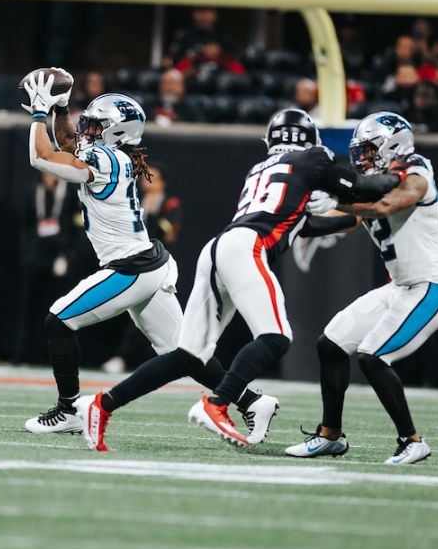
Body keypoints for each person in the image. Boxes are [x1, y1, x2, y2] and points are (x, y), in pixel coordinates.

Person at [76, 109, 400, 451]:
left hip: (220, 247)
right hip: (248, 247)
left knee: (190, 355)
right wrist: (396, 177)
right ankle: (217, 404)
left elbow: (307, 225)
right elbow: (364, 186)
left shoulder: (261, 169)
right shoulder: (314, 157)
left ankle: (102, 405)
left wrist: (348, 212)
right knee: (276, 337)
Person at [19, 70, 274, 442]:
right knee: (185, 353)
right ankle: (252, 401)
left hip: (131, 268)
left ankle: (70, 409)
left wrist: (40, 113)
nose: (85, 130)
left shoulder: (107, 159)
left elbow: (43, 158)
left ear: (115, 132)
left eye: (94, 125)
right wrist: (59, 108)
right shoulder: (110, 155)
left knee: (58, 322)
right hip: (146, 264)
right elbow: (65, 142)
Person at [283, 112, 438, 466]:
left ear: (393, 145)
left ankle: (412, 440)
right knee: (330, 344)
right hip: (399, 288)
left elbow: (389, 204)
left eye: (369, 150)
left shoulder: (417, 171)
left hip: (430, 287)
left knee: (373, 356)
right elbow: (344, 222)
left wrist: (337, 200)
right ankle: (330, 435)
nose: (363, 159)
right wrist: (289, 220)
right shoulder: (374, 184)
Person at [102, 161, 185, 373]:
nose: (147, 181)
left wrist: (153, 215)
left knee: (154, 314)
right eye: (145, 176)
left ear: (163, 182)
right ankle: (125, 357)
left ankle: (172, 357)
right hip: (133, 260)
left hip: (158, 263)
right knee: (131, 312)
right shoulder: (135, 200)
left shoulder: (169, 203)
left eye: (153, 177)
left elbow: (170, 233)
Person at [14, 172, 83, 364]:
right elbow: (25, 224)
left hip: (58, 257)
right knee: (28, 305)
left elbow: (78, 224)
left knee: (57, 307)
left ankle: (51, 355)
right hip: (35, 255)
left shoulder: (69, 193)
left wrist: (68, 255)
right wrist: (26, 252)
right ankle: (22, 353)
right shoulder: (33, 191)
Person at [167, 7, 236, 65]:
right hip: (189, 74)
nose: (204, 17)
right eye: (200, 11)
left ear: (215, 14)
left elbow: (236, 59)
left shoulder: (222, 35)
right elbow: (171, 59)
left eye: (207, 12)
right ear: (193, 13)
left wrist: (220, 52)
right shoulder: (183, 34)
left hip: (218, 75)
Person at [173, 39, 246, 77]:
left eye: (213, 47)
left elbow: (241, 77)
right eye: (207, 46)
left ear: (220, 48)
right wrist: (186, 74)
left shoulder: (228, 62)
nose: (210, 50)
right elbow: (173, 75)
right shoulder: (192, 61)